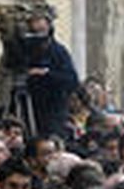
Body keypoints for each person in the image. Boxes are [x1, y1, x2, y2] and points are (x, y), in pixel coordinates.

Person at [6, 11, 80, 140]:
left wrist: (46, 74)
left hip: (51, 110)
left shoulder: (58, 51)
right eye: (33, 22)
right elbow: (12, 66)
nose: (36, 25)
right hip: (25, 105)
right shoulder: (22, 48)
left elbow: (72, 80)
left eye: (40, 21)